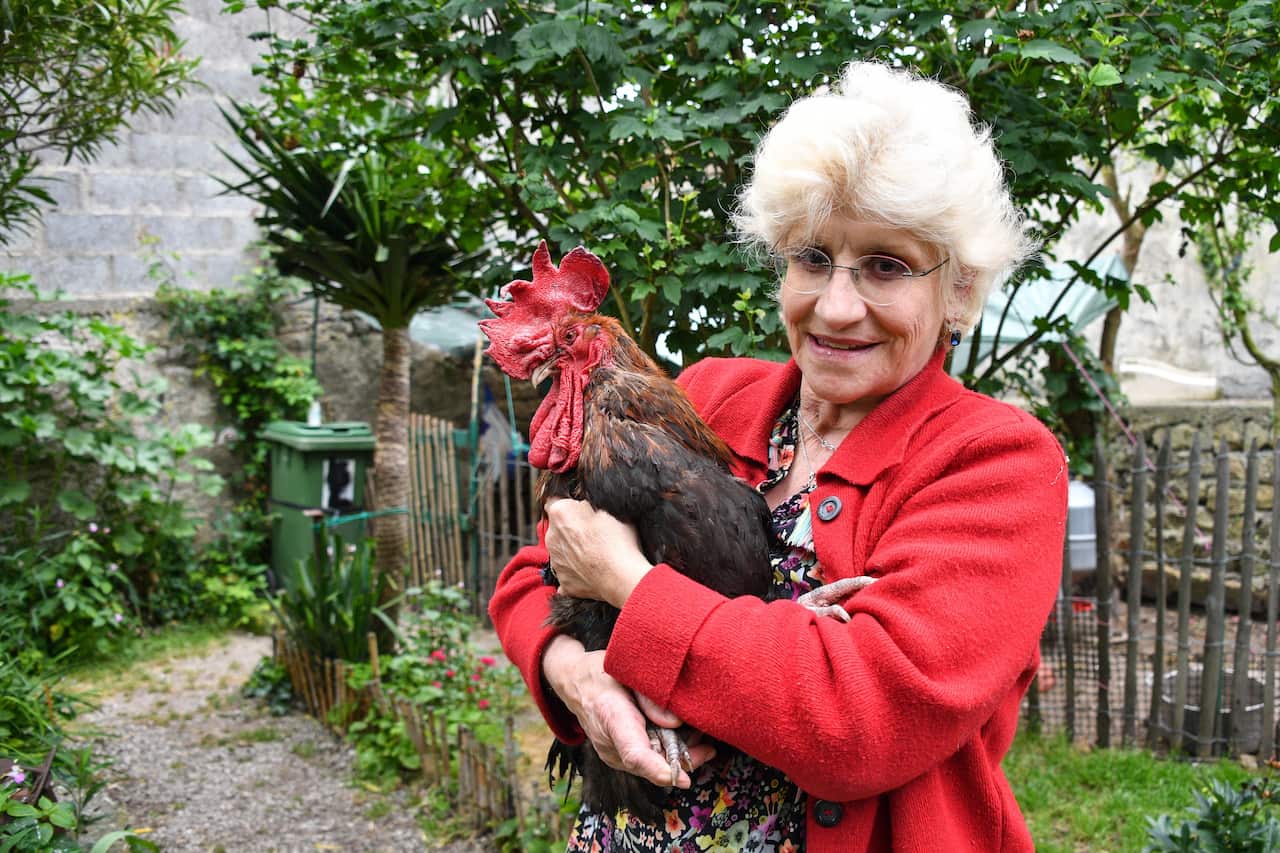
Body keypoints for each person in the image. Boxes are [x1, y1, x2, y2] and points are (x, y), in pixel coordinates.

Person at [489, 61, 1067, 852]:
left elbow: (857, 719)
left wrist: (631, 585)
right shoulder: (710, 398)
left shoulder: (996, 463)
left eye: (886, 266)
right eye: (813, 258)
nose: (835, 305)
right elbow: (536, 576)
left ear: (959, 289)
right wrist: (577, 676)